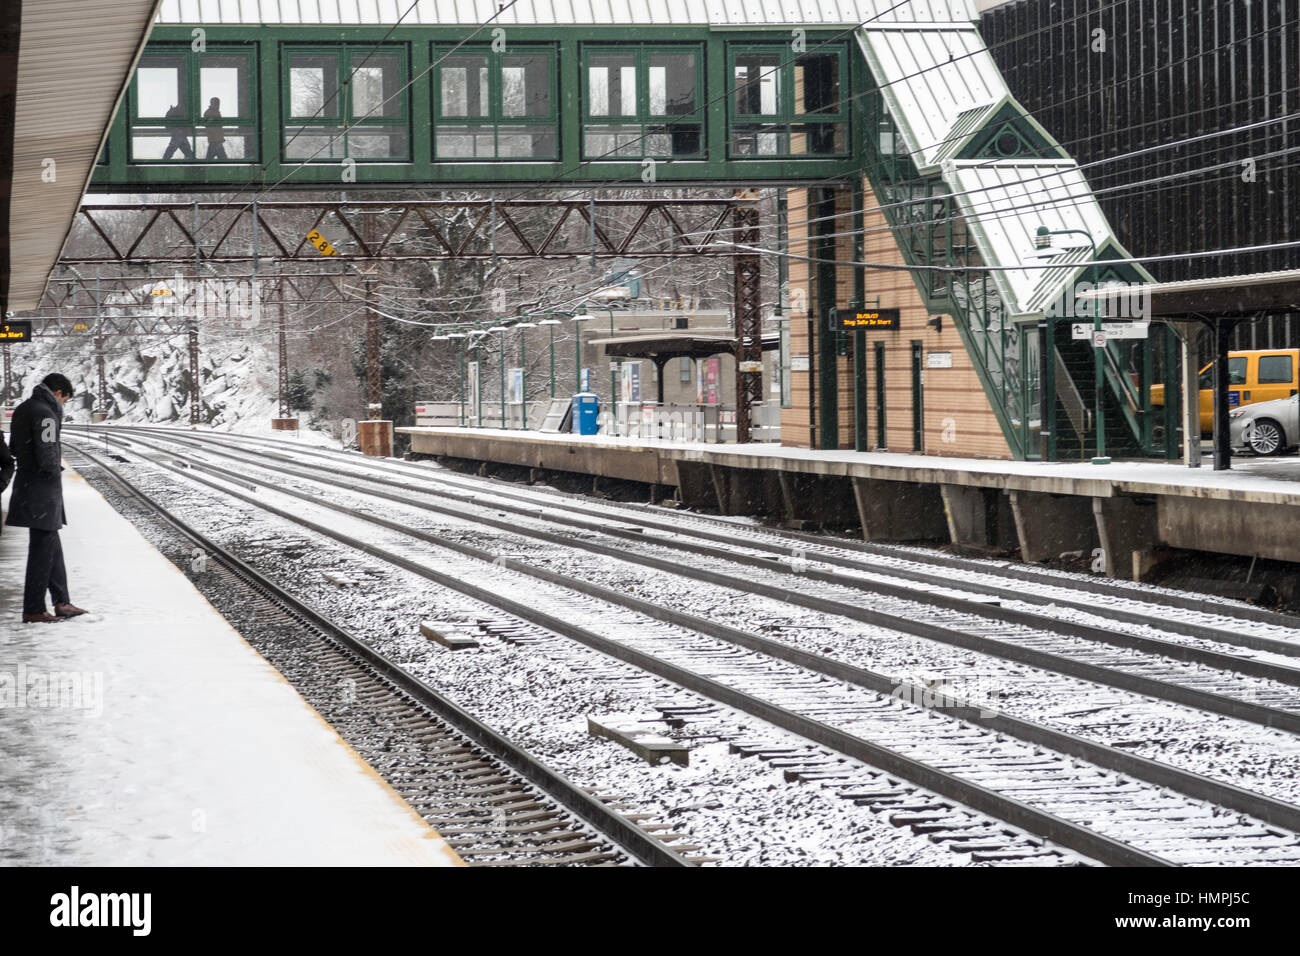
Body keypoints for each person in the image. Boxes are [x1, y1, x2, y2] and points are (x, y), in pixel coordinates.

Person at [6, 374, 86, 623]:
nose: (63, 405)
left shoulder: (24, 408)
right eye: (65, 399)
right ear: (59, 392)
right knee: (42, 548)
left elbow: (14, 449)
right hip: (42, 488)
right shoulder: (46, 413)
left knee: (50, 542)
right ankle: (33, 608)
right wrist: (53, 470)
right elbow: (48, 450)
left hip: (29, 483)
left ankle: (61, 601)